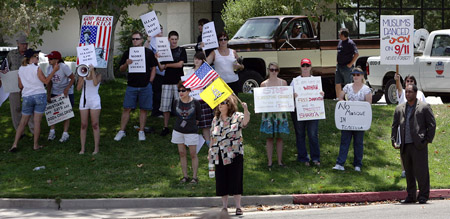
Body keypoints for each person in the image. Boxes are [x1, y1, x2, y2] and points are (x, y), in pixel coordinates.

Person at [391, 84, 436, 204]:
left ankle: (423, 195)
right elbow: (394, 126)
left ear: (416, 93)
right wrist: (394, 140)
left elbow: (431, 125)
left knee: (421, 172)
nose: (407, 94)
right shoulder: (399, 108)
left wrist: (426, 140)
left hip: (418, 145)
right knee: (409, 172)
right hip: (405, 145)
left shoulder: (424, 107)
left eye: (410, 92)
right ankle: (411, 196)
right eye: (406, 92)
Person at [209, 95, 250, 216]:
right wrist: (210, 151)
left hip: (234, 153)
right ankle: (224, 207)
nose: (220, 105)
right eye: (219, 103)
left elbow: (245, 122)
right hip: (219, 154)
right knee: (222, 180)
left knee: (236, 179)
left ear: (229, 104)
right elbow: (212, 136)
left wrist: (246, 109)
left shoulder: (237, 116)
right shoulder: (215, 119)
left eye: (223, 102)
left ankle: (238, 206)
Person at [9, 49, 57, 152]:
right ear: (31, 58)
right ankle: (35, 145)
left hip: (27, 97)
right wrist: (54, 71)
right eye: (36, 56)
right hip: (39, 95)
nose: (38, 58)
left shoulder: (21, 69)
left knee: (22, 122)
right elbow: (46, 81)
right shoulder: (37, 69)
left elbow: (20, 86)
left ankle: (14, 144)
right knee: (37, 122)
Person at [114, 31, 157, 141]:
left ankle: (141, 131)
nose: (135, 41)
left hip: (145, 85)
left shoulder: (148, 52)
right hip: (131, 85)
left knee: (143, 109)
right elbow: (121, 69)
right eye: (133, 39)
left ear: (142, 40)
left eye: (137, 39)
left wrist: (150, 81)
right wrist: (126, 64)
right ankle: (121, 131)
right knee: (127, 108)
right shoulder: (128, 52)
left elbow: (153, 67)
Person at [332, 67, 372, 172]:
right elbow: (340, 97)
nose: (355, 77)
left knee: (358, 142)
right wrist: (343, 104)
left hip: (359, 120)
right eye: (354, 75)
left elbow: (368, 104)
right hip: (348, 119)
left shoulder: (366, 89)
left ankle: (357, 164)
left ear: (362, 76)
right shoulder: (347, 87)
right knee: (344, 141)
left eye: (358, 75)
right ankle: (340, 163)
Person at [290, 58, 324, 166]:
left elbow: (319, 96)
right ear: (300, 67)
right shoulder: (295, 81)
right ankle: (303, 158)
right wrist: (292, 95)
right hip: (298, 111)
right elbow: (288, 97)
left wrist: (322, 94)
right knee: (300, 134)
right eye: (303, 65)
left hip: (313, 111)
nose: (305, 68)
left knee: (313, 134)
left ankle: (315, 158)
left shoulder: (315, 81)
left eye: (307, 65)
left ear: (311, 67)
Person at [394, 69, 426, 178]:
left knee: (415, 149)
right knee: (404, 149)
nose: (409, 82)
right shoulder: (402, 92)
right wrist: (397, 80)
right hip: (404, 125)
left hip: (416, 126)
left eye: (412, 81)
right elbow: (398, 87)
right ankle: (404, 170)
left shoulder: (420, 93)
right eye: (407, 81)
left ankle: (416, 170)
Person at [156, 31, 187, 136]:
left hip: (178, 82)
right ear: (168, 39)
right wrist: (157, 59)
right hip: (167, 81)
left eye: (175, 39)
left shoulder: (181, 50)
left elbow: (180, 64)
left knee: (181, 106)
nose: (174, 41)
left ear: (177, 39)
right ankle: (165, 127)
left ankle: (182, 127)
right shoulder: (165, 51)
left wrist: (167, 65)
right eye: (172, 39)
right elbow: (161, 68)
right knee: (165, 106)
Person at [1, 34, 34, 133]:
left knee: (29, 106)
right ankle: (19, 130)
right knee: (16, 107)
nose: (24, 45)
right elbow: (5, 67)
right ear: (18, 43)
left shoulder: (30, 54)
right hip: (14, 83)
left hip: (28, 84)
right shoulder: (11, 54)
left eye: (26, 43)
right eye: (22, 43)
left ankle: (33, 129)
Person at [171, 81, 202, 184]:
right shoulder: (176, 101)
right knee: (181, 153)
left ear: (189, 91)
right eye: (179, 90)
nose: (181, 92)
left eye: (183, 90)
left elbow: (198, 117)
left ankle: (194, 177)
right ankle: (185, 176)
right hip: (178, 130)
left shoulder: (195, 102)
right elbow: (174, 113)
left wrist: (191, 125)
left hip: (191, 131)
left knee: (193, 153)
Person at [260, 62, 289, 167]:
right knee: (269, 138)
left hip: (280, 114)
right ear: (268, 70)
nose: (273, 72)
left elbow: (287, 99)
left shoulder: (283, 83)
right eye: (271, 69)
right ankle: (270, 162)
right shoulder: (263, 84)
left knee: (280, 137)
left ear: (278, 71)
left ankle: (280, 161)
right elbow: (261, 100)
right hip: (268, 114)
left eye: (276, 70)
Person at [185, 52, 214, 149]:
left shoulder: (205, 71)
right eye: (195, 58)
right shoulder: (189, 71)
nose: (196, 61)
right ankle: (193, 143)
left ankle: (208, 142)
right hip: (192, 101)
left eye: (199, 59)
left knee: (206, 124)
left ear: (203, 61)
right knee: (193, 124)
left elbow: (210, 84)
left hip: (204, 100)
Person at [45, 51, 75, 143]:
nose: (48, 60)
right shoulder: (49, 68)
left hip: (66, 92)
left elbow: (73, 78)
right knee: (53, 112)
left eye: (51, 59)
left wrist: (67, 88)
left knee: (66, 112)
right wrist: (49, 94)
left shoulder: (64, 67)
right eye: (48, 58)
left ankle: (65, 133)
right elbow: (49, 82)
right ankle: (52, 131)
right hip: (55, 91)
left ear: (57, 60)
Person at [77, 64, 102, 155]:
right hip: (84, 101)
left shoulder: (98, 75)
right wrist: (83, 77)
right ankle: (82, 148)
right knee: (83, 125)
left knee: (95, 124)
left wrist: (92, 72)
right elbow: (78, 88)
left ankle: (96, 148)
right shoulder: (82, 74)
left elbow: (95, 83)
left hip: (94, 101)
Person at [144, 24, 165, 118]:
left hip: (163, 70)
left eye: (161, 29)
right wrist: (148, 40)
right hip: (154, 70)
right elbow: (144, 51)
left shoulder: (164, 41)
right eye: (159, 29)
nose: (161, 31)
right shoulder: (150, 41)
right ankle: (156, 111)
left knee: (161, 92)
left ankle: (163, 110)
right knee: (156, 92)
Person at [335, 28, 359, 100]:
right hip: (339, 65)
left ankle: (349, 98)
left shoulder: (350, 43)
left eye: (340, 34)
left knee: (348, 84)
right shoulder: (340, 42)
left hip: (346, 67)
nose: (339, 35)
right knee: (337, 82)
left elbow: (356, 54)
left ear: (343, 35)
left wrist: (350, 64)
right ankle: (339, 98)